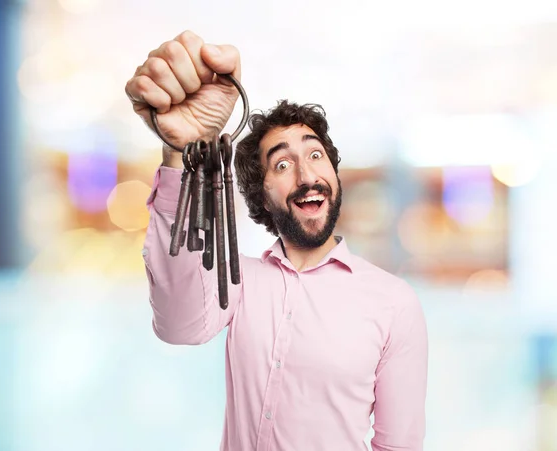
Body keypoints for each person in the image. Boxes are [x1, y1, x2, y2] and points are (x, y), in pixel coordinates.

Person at [125, 30, 428, 451]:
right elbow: (179, 326)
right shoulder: (238, 281)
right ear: (261, 194)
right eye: (282, 163)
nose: (306, 175)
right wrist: (179, 153)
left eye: (316, 154)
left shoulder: (394, 303)